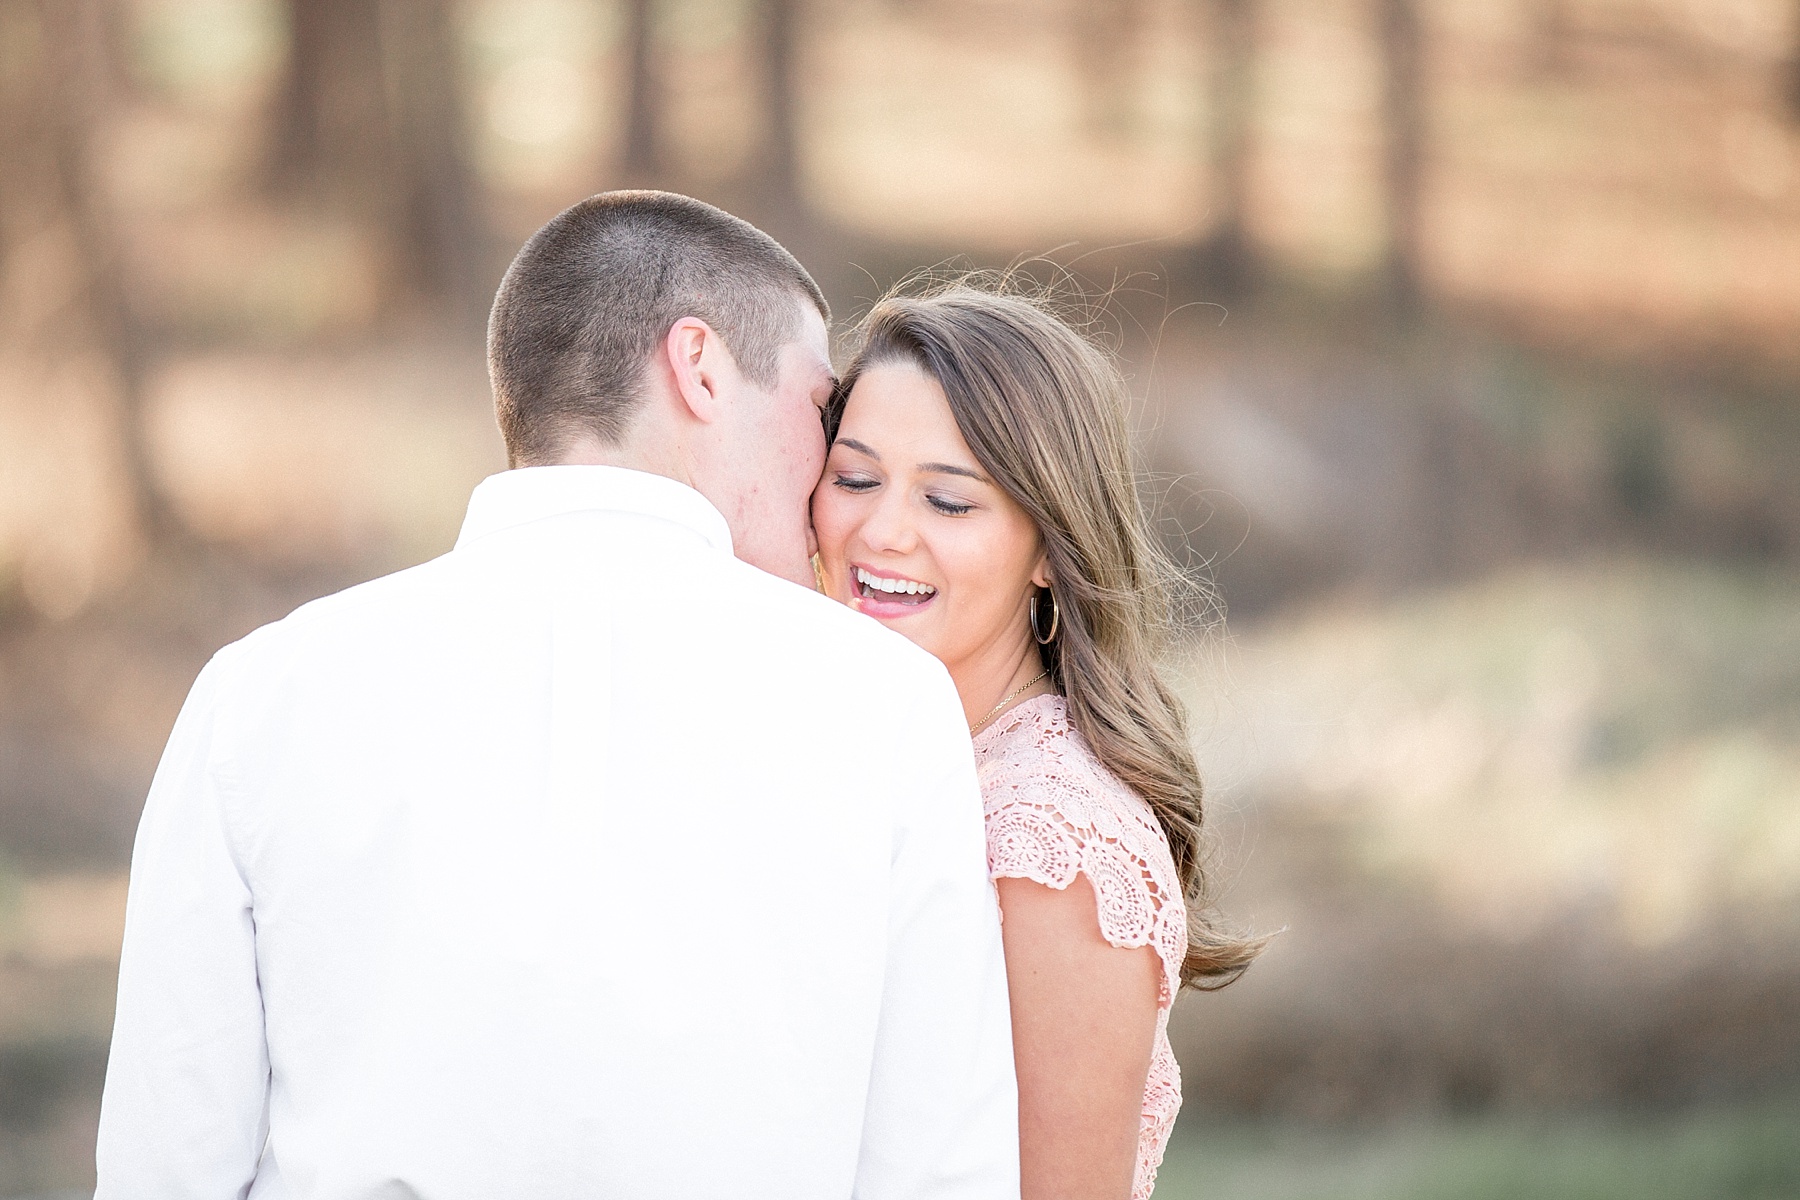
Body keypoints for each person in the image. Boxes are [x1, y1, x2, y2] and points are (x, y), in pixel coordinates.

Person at [96, 193, 1020, 1199]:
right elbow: (941, 1174)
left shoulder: (260, 696)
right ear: (700, 367)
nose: (823, 468)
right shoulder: (884, 708)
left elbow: (165, 1165)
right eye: (818, 406)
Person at [813, 282, 1264, 1200]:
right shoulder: (887, 754)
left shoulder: (1052, 842)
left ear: (1050, 549)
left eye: (948, 501)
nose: (881, 530)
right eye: (854, 479)